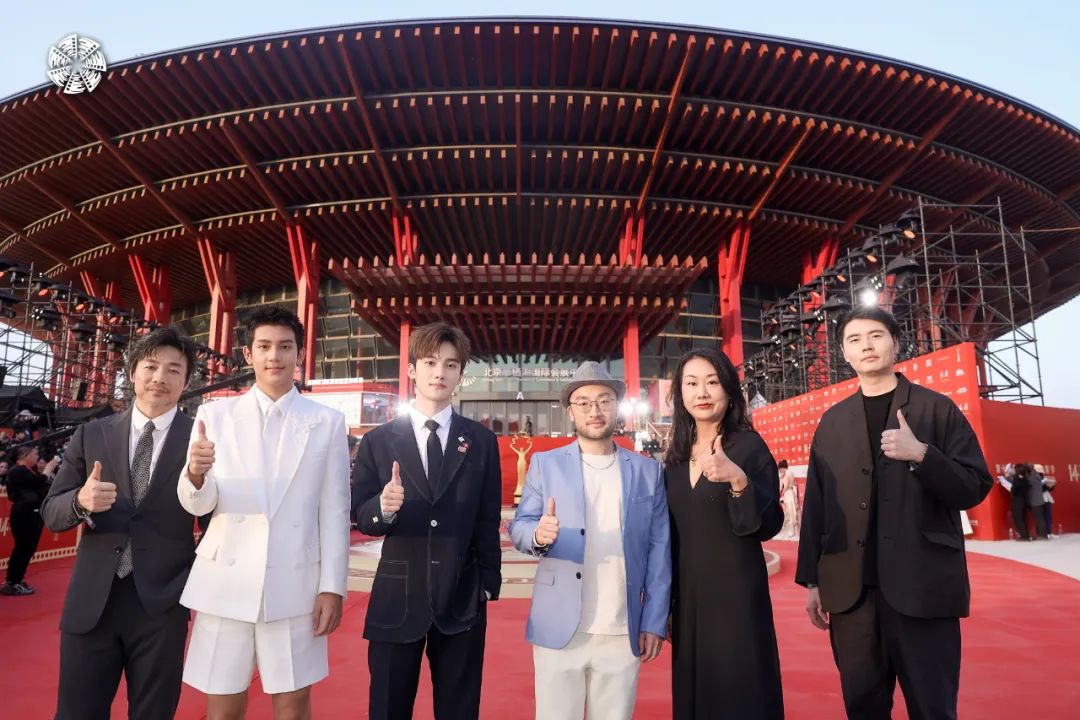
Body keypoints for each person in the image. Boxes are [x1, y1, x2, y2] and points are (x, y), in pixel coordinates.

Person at [796, 307, 993, 720]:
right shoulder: (832, 423)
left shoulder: (936, 410)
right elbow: (817, 504)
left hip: (923, 588)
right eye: (854, 340)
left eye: (876, 335)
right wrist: (812, 580)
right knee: (862, 707)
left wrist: (922, 455)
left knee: (933, 707)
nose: (866, 346)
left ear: (896, 343)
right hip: (852, 596)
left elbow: (974, 486)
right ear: (844, 354)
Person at [178, 307, 350, 719]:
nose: (275, 356)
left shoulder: (326, 421)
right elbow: (198, 504)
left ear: (300, 354)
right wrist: (195, 474)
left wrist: (333, 587)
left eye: (285, 347)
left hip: (296, 583)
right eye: (265, 346)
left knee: (292, 705)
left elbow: (334, 511)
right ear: (248, 354)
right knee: (222, 706)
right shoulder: (214, 415)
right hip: (226, 581)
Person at [40, 328, 201, 719]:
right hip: (93, 601)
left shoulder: (202, 440)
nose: (160, 377)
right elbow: (52, 511)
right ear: (132, 373)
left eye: (173, 370)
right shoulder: (91, 433)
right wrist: (80, 502)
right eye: (151, 366)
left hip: (163, 604)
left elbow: (219, 521)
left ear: (186, 382)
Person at [352, 322, 502, 720]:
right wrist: (383, 507)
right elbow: (361, 515)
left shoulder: (481, 441)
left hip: (462, 597)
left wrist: (488, 583)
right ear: (412, 370)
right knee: (388, 708)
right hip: (396, 596)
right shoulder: (378, 441)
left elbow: (488, 519)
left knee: (459, 710)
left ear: (460, 374)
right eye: (431, 362)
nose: (440, 373)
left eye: (451, 365)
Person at [509, 361, 671, 720]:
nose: (594, 411)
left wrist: (654, 620)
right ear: (570, 411)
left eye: (604, 401)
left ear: (617, 407)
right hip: (559, 627)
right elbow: (519, 526)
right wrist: (537, 534)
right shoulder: (545, 464)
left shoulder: (648, 471)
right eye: (583, 403)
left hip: (622, 628)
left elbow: (659, 550)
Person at [664, 348, 784, 719]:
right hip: (688, 598)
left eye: (712, 382)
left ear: (729, 391)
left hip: (736, 596)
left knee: (740, 693)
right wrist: (664, 602)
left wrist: (738, 481)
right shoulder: (675, 457)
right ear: (680, 395)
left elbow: (769, 524)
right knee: (695, 692)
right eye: (691, 384)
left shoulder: (748, 447)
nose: (701, 392)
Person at [2, 445, 56, 595]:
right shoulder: (18, 471)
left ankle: (17, 579)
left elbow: (41, 487)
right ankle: (12, 582)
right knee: (23, 549)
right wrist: (49, 468)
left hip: (32, 514)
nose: (37, 457)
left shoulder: (27, 471)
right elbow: (39, 481)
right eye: (35, 454)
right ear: (26, 456)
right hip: (24, 514)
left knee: (28, 549)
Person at [776, 459, 800, 540]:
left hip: (788, 495)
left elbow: (784, 487)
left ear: (782, 468)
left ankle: (793, 533)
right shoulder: (791, 473)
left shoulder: (786, 476)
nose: (780, 472)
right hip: (792, 494)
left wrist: (781, 494)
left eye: (780, 470)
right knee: (794, 513)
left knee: (790, 513)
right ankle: (797, 533)